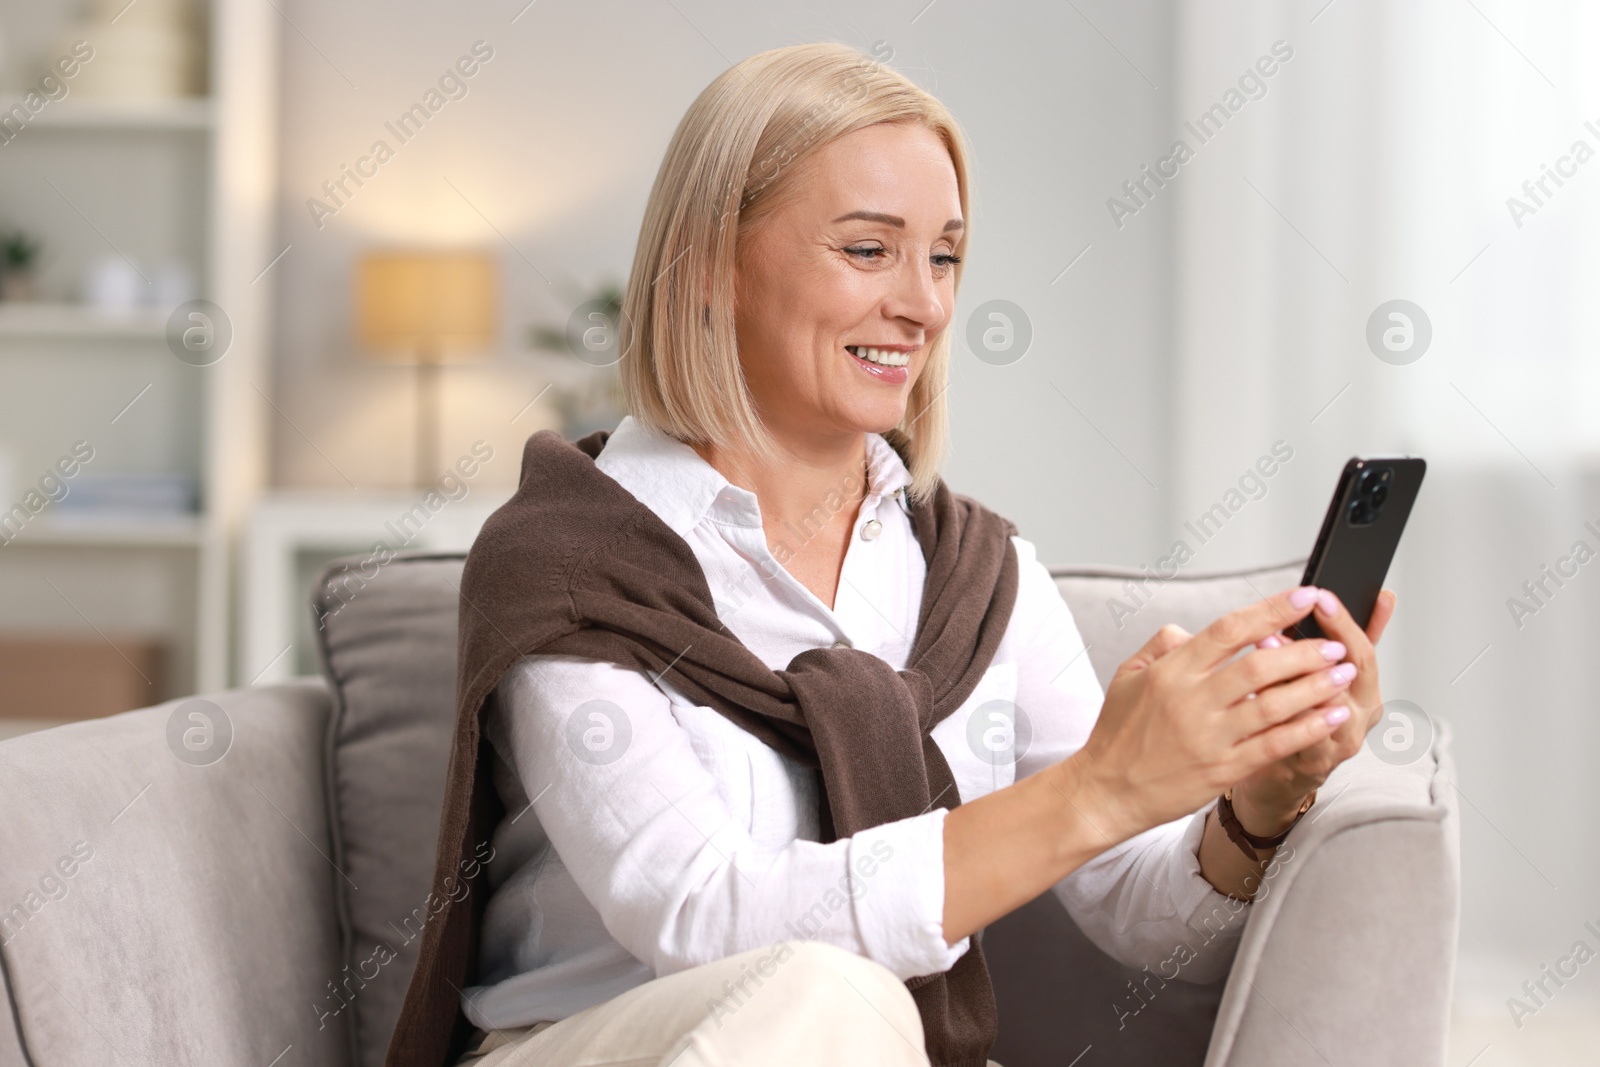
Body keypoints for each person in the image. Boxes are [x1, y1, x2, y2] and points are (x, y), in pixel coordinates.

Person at [440, 41, 1394, 1067]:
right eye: (867, 250)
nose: (926, 304)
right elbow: (702, 913)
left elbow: (1133, 907)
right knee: (823, 991)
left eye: (942, 256)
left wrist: (1252, 803)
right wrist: (1096, 788)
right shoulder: (570, 561)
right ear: (711, 259)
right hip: (602, 1045)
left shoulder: (974, 574)